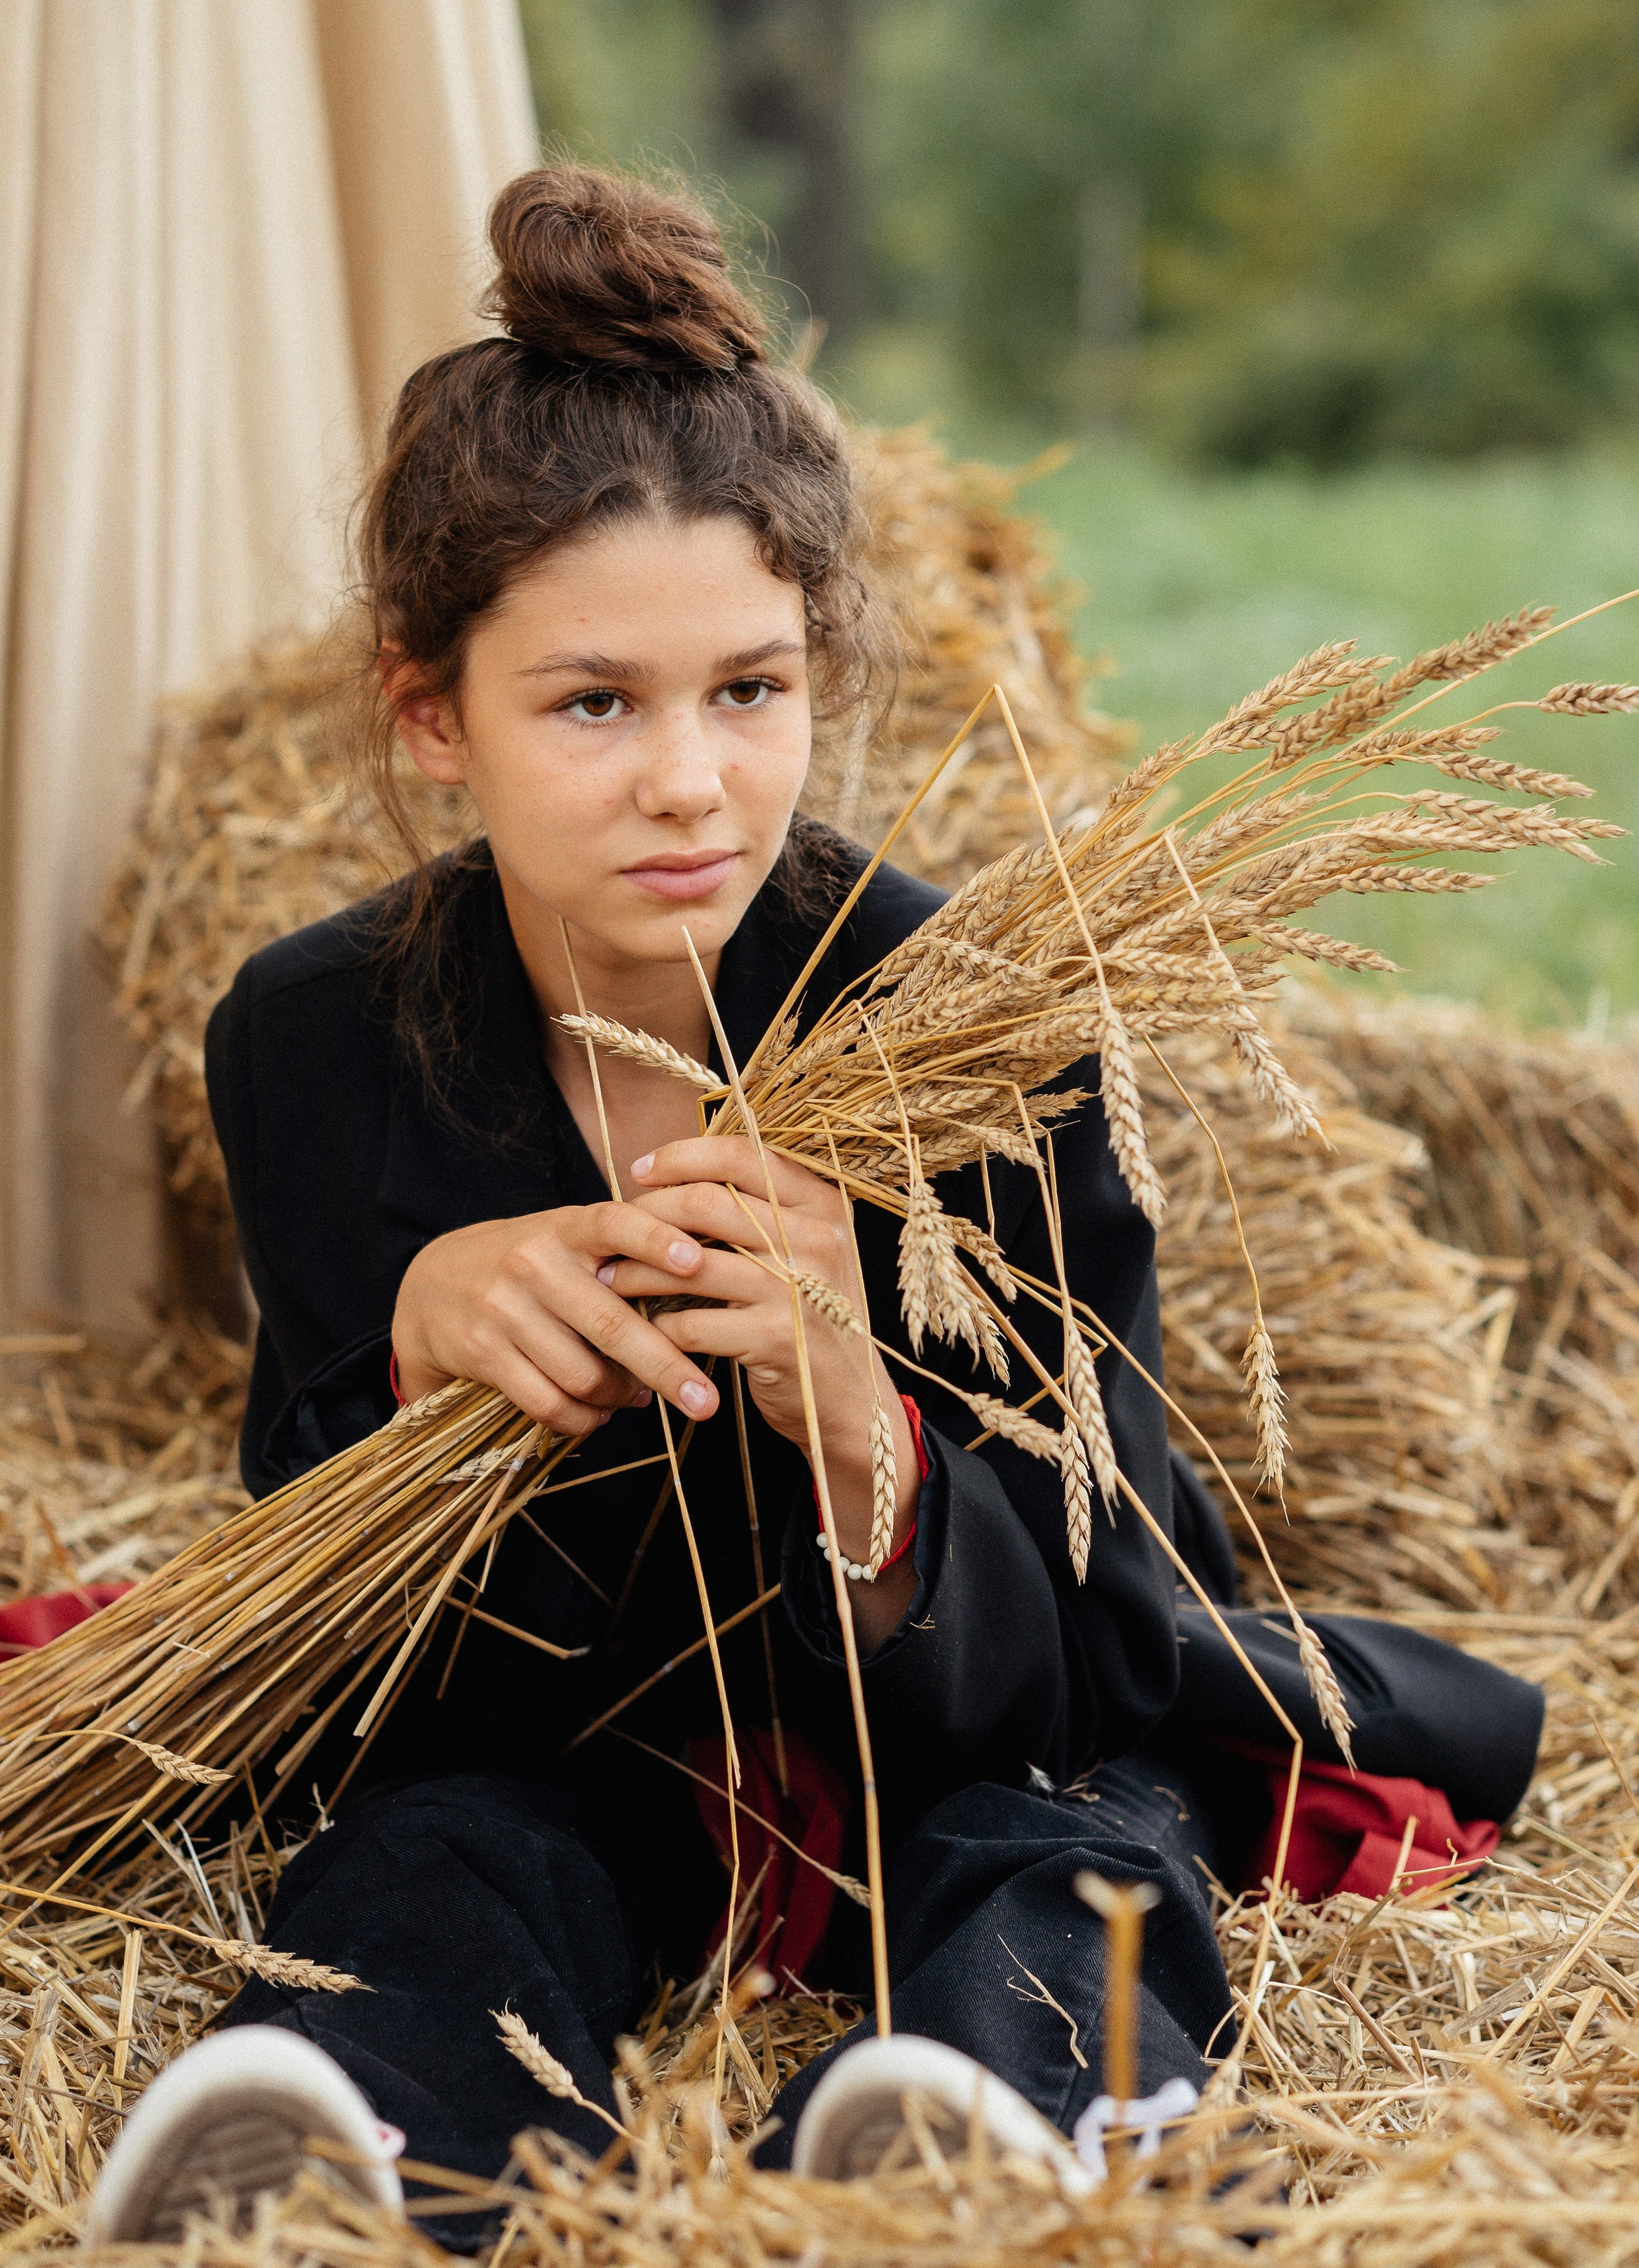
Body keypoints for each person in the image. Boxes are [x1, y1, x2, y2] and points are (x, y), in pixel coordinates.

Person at [90, 167, 1542, 2246]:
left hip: (967, 1726)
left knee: (1062, 1858)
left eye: (749, 689)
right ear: (433, 715)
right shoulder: (311, 1040)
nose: (691, 779)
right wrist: (415, 1351)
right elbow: (334, 1639)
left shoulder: (977, 1021)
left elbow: (1109, 1618)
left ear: (820, 671)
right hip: (567, 1738)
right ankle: (336, 2152)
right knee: (433, 1858)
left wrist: (861, 1426)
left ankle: (975, 2132)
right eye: (595, 702)